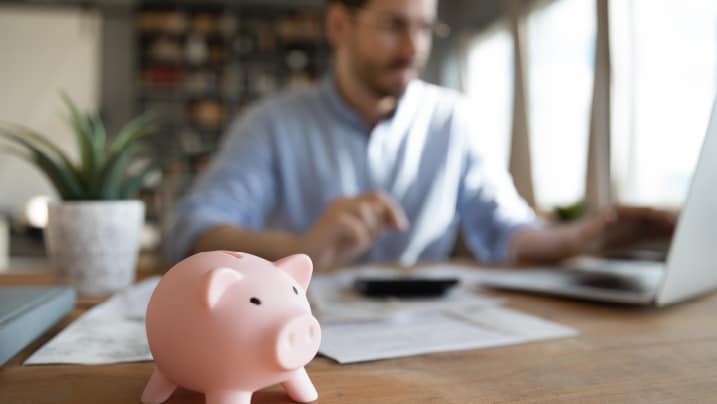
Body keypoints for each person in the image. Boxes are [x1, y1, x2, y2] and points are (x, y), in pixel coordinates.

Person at [166, 0, 676, 270]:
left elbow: (505, 229)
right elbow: (193, 233)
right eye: (394, 25)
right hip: (297, 338)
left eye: (426, 27)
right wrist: (303, 246)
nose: (413, 46)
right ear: (339, 24)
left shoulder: (455, 119)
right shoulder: (272, 123)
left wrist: (584, 238)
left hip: (425, 346)